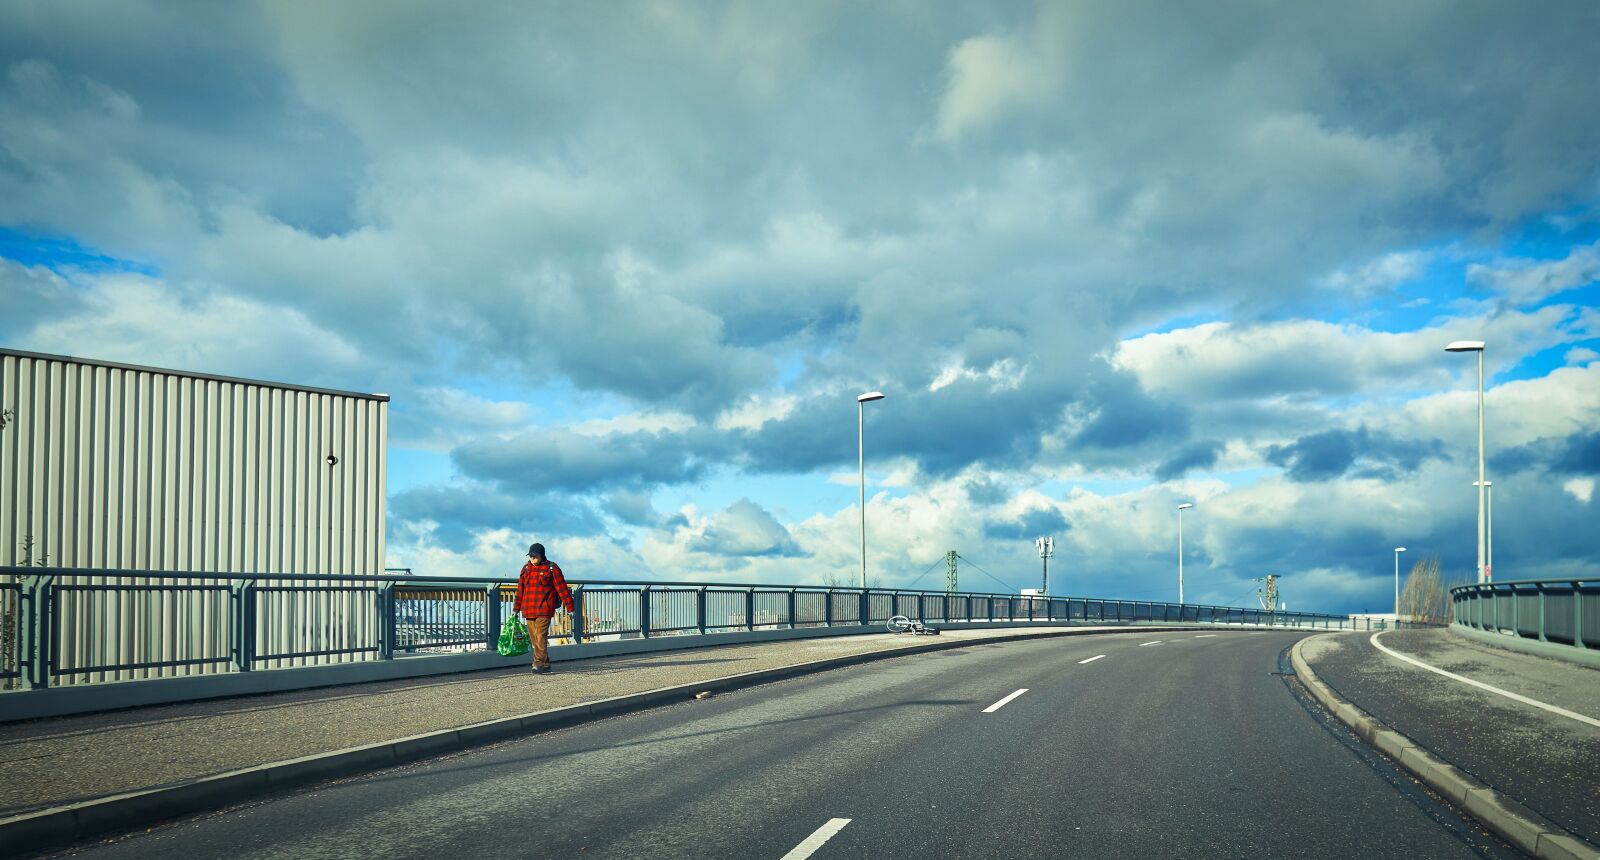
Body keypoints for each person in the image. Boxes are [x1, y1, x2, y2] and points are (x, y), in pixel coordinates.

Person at [513, 542, 575, 674]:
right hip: (529, 609)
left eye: (535, 556)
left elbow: (562, 588)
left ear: (542, 556)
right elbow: (520, 591)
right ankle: (546, 664)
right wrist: (516, 609)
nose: (532, 559)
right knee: (535, 639)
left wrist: (570, 607)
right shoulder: (525, 569)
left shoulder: (552, 568)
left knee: (540, 636)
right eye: (530, 556)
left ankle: (538, 663)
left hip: (544, 609)